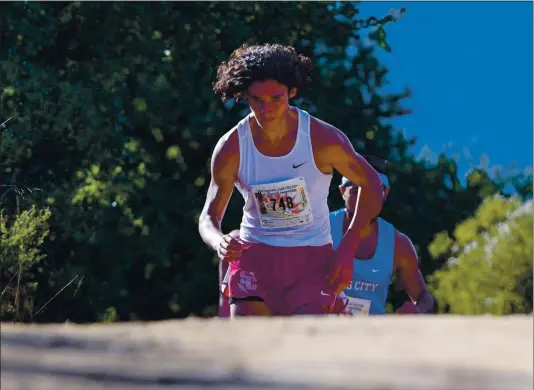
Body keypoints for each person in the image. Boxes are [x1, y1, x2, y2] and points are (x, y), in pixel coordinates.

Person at [199, 43, 384, 317]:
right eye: (256, 100)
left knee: (304, 346)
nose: (267, 110)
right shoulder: (231, 147)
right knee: (253, 348)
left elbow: (372, 185)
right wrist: (219, 241)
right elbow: (208, 217)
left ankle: (337, 313)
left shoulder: (323, 140)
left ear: (292, 92)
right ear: (244, 96)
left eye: (276, 98)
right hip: (255, 258)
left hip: (311, 261)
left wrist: (347, 247)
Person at [328, 155, 435, 315]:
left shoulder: (398, 244)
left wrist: (416, 311)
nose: (363, 200)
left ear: (385, 193)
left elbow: (424, 297)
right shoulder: (322, 228)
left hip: (373, 337)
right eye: (356, 189)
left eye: (371, 191)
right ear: (343, 191)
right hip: (320, 333)